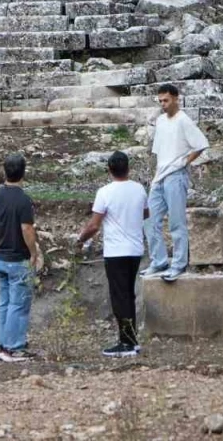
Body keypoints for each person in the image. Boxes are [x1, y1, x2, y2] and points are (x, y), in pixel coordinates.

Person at [75, 151, 149, 357]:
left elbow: (94, 225)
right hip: (135, 250)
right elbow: (146, 212)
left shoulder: (105, 192)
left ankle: (126, 342)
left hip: (116, 251)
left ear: (109, 170)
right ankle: (132, 340)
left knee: (119, 297)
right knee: (128, 294)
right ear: (128, 169)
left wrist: (80, 239)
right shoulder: (139, 189)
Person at [144, 83, 209, 282]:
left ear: (175, 98)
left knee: (176, 222)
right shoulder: (161, 121)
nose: (163, 104)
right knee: (148, 219)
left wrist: (183, 163)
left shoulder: (184, 120)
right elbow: (159, 151)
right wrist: (155, 176)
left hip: (176, 176)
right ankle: (159, 261)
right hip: (160, 177)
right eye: (160, 101)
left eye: (166, 100)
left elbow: (201, 144)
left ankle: (179, 264)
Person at [0, 153, 43, 363]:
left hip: (0, 257)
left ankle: (3, 342)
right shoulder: (23, 200)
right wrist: (34, 252)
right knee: (18, 304)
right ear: (23, 172)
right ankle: (13, 348)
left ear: (5, 171)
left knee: (5, 302)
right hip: (18, 258)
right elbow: (26, 228)